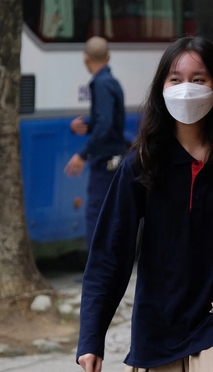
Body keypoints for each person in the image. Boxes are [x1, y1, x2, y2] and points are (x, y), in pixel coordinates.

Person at [76, 36, 213, 372]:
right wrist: (90, 337)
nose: (187, 88)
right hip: (160, 323)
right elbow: (110, 253)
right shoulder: (141, 164)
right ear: (161, 89)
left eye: (199, 78)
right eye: (175, 78)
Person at [64, 36, 127, 250]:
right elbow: (108, 122)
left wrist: (82, 154)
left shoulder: (100, 84)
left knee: (96, 213)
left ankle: (95, 268)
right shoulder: (112, 82)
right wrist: (86, 126)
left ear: (85, 58)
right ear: (108, 57)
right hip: (115, 157)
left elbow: (106, 124)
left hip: (105, 161)